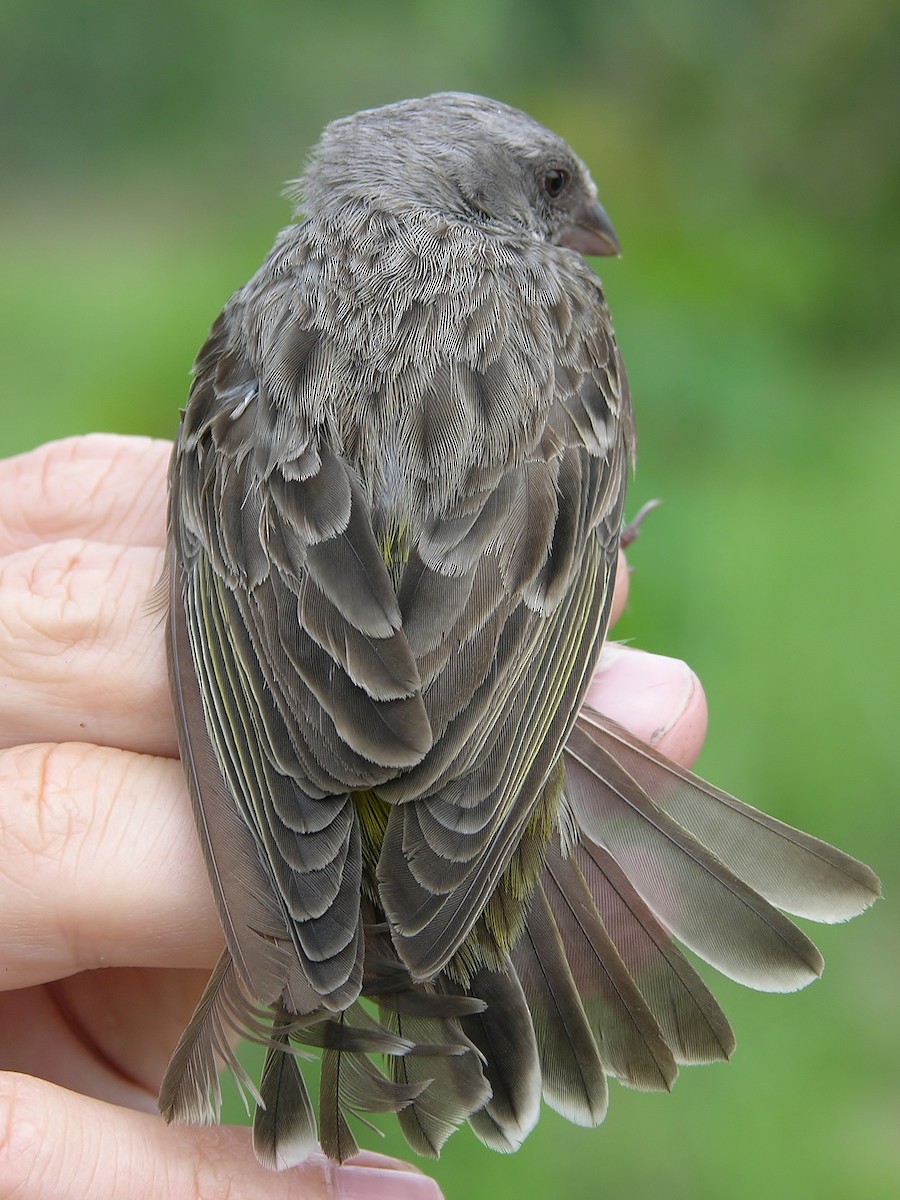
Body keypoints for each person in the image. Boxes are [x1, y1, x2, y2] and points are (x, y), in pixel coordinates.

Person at [0, 434, 708, 1200]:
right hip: (468, 729)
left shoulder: (256, 354)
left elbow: (234, 581)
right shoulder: (567, 341)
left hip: (340, 732)